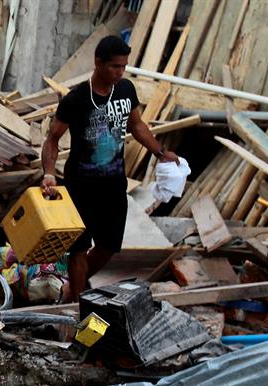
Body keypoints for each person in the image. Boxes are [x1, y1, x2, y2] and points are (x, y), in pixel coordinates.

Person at [41, 35, 179, 302]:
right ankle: (77, 305)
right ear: (98, 63)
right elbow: (52, 138)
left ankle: (72, 289)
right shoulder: (76, 99)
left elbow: (137, 126)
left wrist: (160, 152)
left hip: (114, 186)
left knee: (108, 246)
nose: (120, 72)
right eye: (115, 66)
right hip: (80, 187)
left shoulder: (126, 90)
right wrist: (48, 173)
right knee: (79, 249)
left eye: (124, 66)